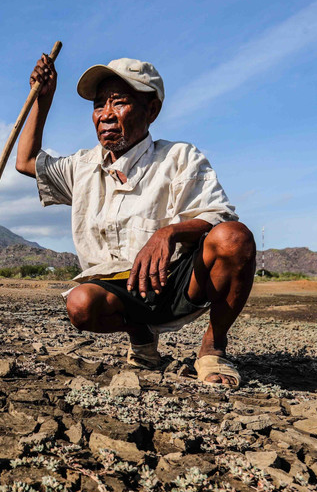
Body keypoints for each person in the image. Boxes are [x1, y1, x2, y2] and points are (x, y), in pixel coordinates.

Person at [15, 55, 256, 386]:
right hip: (120, 290)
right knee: (80, 304)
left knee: (234, 238)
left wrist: (168, 233)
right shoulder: (83, 166)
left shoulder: (179, 157)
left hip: (176, 281)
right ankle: (141, 339)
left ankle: (213, 348)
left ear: (151, 110)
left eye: (119, 102)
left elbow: (218, 215)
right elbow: (26, 161)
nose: (106, 115)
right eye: (99, 105)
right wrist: (43, 100)